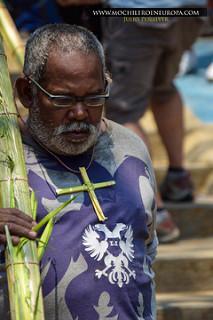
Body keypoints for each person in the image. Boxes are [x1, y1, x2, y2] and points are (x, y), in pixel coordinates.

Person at [0, 24, 157, 320]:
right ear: (26, 93)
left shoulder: (130, 149)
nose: (81, 113)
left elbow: (146, 251)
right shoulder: (6, 161)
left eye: (95, 98)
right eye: (63, 100)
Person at [103, 0, 206, 243]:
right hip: (188, 12)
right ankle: (179, 179)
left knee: (122, 110)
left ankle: (155, 211)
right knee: (164, 89)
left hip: (139, 13)